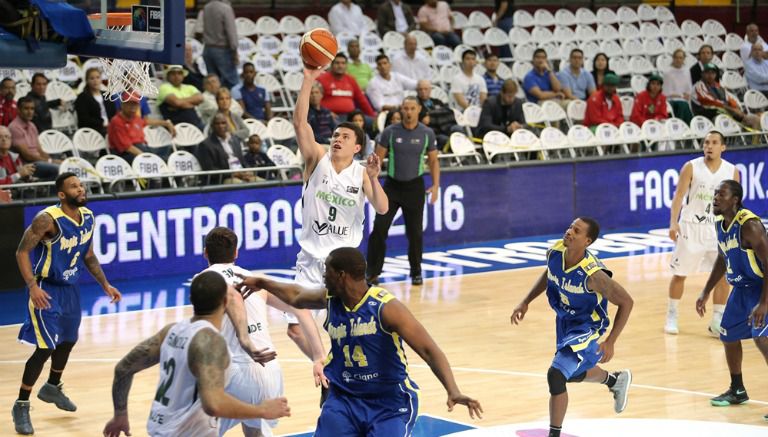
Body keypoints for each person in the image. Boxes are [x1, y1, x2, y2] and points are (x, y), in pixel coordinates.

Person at [235, 247, 483, 436]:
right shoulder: (332, 298)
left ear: (341, 275)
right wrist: (262, 282)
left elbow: (429, 350)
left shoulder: (386, 308)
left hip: (388, 401)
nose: (323, 276)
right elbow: (298, 296)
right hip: (344, 398)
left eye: (327, 271)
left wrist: (453, 390)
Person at [102, 271, 290, 437]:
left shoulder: (170, 331)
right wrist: (261, 410)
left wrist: (120, 415)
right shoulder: (210, 342)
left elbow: (123, 368)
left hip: (161, 429)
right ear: (226, 302)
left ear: (191, 300)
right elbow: (213, 404)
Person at [287, 67, 388, 360]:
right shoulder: (317, 158)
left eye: (344, 136)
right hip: (309, 259)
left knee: (351, 327)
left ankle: (354, 368)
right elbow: (299, 123)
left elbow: (382, 208)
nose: (337, 139)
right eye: (334, 134)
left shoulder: (361, 173)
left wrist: (374, 178)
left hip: (343, 263)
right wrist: (307, 78)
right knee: (295, 330)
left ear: (357, 147)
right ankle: (326, 365)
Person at [12, 173, 122, 435]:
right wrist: (32, 286)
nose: (81, 189)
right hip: (46, 290)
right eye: (74, 187)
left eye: (81, 185)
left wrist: (105, 284)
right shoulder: (47, 220)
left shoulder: (89, 217)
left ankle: (52, 386)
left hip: (70, 288)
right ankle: (22, 404)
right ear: (62, 195)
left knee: (68, 340)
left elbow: (90, 256)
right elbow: (21, 252)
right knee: (44, 348)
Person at [511, 217, 633, 437]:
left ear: (587, 241)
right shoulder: (557, 251)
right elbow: (550, 274)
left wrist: (611, 341)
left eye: (576, 231)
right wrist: (526, 301)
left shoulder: (594, 275)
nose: (569, 232)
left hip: (588, 324)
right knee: (571, 373)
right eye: (570, 227)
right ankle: (615, 381)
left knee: (556, 375)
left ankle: (554, 434)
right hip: (565, 320)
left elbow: (627, 302)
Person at [200, 227, 324, 437]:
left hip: (232, 372)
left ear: (206, 253)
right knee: (255, 432)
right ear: (236, 253)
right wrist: (319, 356)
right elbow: (298, 307)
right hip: (268, 371)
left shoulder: (203, 281)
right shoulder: (255, 280)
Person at [695, 180, 768, 421]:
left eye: (721, 194)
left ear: (734, 199)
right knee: (728, 336)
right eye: (715, 193)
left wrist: (765, 303)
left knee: (762, 339)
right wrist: (706, 291)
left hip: (761, 288)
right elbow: (722, 257)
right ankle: (737, 389)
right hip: (741, 289)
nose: (715, 198)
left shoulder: (750, 226)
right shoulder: (720, 223)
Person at [666, 130, 739, 336]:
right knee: (680, 274)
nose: (709, 146)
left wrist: (734, 227)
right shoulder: (691, 166)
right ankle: (672, 314)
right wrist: (673, 222)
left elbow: (735, 203)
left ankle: (717, 319)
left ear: (722, 147)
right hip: (691, 226)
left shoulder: (732, 170)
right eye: (706, 142)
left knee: (723, 275)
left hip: (717, 229)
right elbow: (679, 195)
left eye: (714, 142)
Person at [367, 96, 438, 286]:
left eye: (412, 108)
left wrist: (436, 185)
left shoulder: (427, 133)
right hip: (392, 187)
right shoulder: (390, 132)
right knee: (379, 229)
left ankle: (416, 271)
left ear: (419, 109)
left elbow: (433, 161)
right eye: (405, 108)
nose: (408, 112)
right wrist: (371, 183)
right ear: (401, 110)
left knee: (415, 233)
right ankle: (372, 273)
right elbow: (377, 160)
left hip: (415, 187)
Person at [692, 64, 761, 130]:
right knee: (723, 113)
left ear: (716, 75)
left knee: (755, 119)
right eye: (707, 73)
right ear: (702, 74)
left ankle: (755, 141)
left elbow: (729, 98)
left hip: (728, 112)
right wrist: (729, 108)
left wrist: (736, 108)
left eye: (713, 73)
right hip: (710, 113)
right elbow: (709, 101)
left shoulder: (718, 86)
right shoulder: (699, 86)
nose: (710, 75)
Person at [9, 97, 59, 180]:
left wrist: (51, 159)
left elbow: (40, 150)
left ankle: (42, 188)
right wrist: (50, 161)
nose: (30, 112)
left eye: (32, 109)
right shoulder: (14, 127)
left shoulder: (32, 125)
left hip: (39, 161)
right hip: (28, 165)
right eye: (26, 108)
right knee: (58, 169)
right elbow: (28, 156)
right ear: (18, 110)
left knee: (66, 165)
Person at [196, 113, 254, 184]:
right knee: (242, 184)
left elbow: (243, 161)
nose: (220, 126)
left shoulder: (235, 140)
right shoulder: (205, 145)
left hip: (241, 175)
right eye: (217, 124)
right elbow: (210, 170)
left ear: (228, 125)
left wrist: (248, 171)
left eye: (223, 123)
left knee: (261, 182)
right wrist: (233, 174)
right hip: (222, 179)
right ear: (212, 126)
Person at [316, 53, 376, 120]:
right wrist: (326, 112)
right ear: (332, 65)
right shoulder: (321, 79)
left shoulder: (351, 80)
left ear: (346, 66)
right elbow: (314, 100)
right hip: (330, 116)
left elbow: (362, 100)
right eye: (337, 63)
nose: (340, 66)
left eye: (343, 63)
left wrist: (373, 116)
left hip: (351, 116)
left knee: (373, 123)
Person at [201, 0, 239, 89]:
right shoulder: (226, 8)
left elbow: (200, 28)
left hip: (208, 49)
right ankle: (236, 102)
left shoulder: (206, 7)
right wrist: (234, 50)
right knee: (232, 82)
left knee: (213, 85)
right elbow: (231, 31)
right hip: (222, 49)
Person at [158, 65, 205, 130]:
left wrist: (181, 102)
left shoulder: (190, 87)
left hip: (196, 124)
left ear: (183, 76)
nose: (176, 76)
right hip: (176, 126)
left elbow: (200, 98)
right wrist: (192, 103)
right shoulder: (164, 87)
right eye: (173, 74)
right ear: (168, 76)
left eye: (179, 73)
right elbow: (177, 102)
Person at [107, 93, 150, 164]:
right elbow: (126, 147)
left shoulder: (137, 119)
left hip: (139, 149)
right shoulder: (116, 121)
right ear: (122, 105)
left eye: (135, 105)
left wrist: (166, 123)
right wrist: (144, 156)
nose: (133, 108)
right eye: (129, 104)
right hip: (123, 154)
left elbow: (147, 122)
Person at [74, 68, 116, 136]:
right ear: (87, 80)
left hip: (110, 127)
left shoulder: (107, 95)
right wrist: (102, 123)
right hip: (93, 130)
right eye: (92, 78)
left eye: (97, 77)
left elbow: (114, 113)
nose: (95, 80)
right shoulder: (82, 98)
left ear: (101, 79)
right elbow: (84, 119)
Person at [416, 79, 454, 146]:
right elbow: (423, 120)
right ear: (417, 91)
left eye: (426, 89)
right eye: (420, 89)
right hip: (433, 132)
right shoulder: (416, 104)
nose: (423, 91)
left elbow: (450, 113)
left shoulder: (437, 101)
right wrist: (440, 116)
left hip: (445, 127)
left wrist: (430, 114)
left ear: (430, 90)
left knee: (457, 129)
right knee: (446, 140)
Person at [663, 48, 694, 124]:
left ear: (684, 59)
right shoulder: (668, 72)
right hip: (671, 99)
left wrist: (688, 94)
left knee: (685, 104)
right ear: (673, 58)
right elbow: (666, 92)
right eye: (676, 57)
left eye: (680, 58)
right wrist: (680, 96)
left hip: (684, 98)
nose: (678, 60)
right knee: (681, 105)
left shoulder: (686, 71)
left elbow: (689, 87)